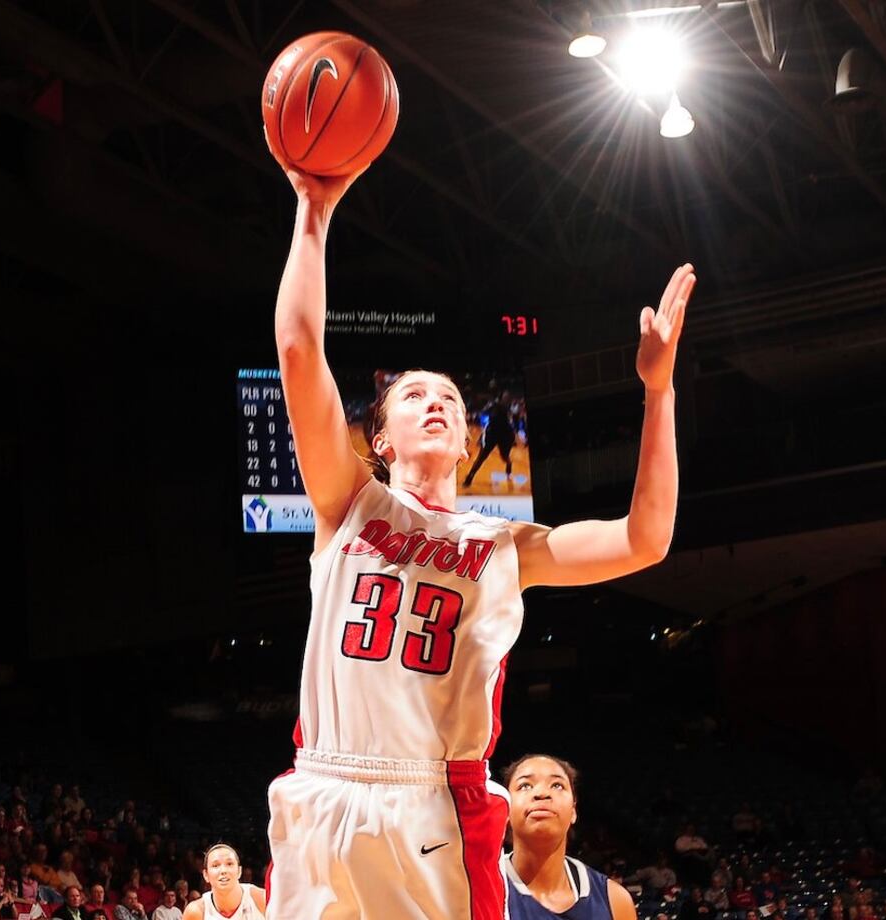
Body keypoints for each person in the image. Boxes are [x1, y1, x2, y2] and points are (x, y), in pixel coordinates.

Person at [265, 150, 696, 920]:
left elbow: (646, 538)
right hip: (323, 789)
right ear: (381, 438)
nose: (434, 403)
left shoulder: (504, 547)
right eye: (414, 396)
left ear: (467, 440)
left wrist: (657, 392)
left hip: (433, 804)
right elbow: (299, 349)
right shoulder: (345, 503)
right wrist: (313, 207)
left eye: (450, 400)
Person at [501, 755, 635, 920]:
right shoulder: (479, 891)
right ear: (505, 809)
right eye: (525, 785)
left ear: (573, 811)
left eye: (557, 785)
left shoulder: (614, 900)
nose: (542, 793)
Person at [181, 845, 263, 920]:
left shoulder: (260, 899)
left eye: (229, 864)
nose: (223, 871)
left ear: (239, 871)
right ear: (206, 875)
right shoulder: (196, 912)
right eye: (215, 865)